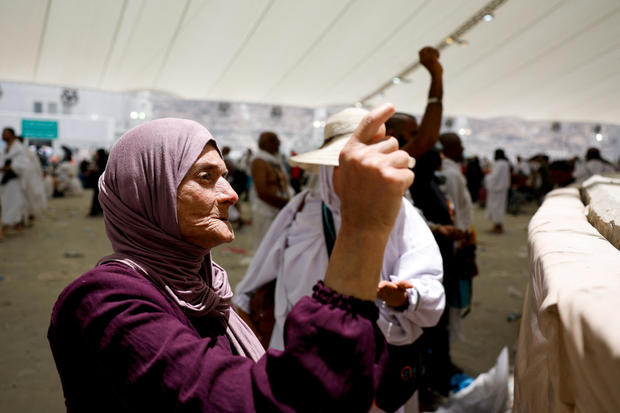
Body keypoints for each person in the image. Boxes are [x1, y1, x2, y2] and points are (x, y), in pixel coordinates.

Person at [48, 104, 416, 412]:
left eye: (225, 176)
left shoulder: (209, 289)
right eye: (206, 177)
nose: (231, 194)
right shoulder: (103, 302)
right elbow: (266, 402)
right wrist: (363, 229)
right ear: (148, 190)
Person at [234, 108, 444, 353]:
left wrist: (402, 297)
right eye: (344, 167)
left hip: (369, 358)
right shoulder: (301, 209)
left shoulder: (400, 212)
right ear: (325, 170)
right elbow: (254, 281)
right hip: (296, 352)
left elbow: (429, 290)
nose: (356, 178)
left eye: (366, 168)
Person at [385, 46, 443, 160]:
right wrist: (436, 77)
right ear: (393, 135)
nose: (419, 136)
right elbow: (426, 140)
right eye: (414, 134)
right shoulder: (388, 160)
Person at [250, 132, 290, 245]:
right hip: (266, 212)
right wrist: (287, 204)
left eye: (277, 140)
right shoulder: (259, 161)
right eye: (274, 140)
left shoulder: (274, 161)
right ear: (263, 144)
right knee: (266, 245)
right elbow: (262, 192)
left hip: (278, 209)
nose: (278, 143)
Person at [1, 128, 29, 238]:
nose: (3, 135)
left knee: (11, 204)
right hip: (5, 180)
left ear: (12, 135)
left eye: (6, 134)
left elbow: (23, 165)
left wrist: (9, 168)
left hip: (14, 180)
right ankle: (18, 226)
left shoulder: (19, 149)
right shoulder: (5, 149)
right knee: (10, 204)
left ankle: (3, 228)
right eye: (3, 133)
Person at [484, 149, 511, 234]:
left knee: (496, 207)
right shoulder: (506, 163)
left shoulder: (499, 164)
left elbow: (495, 176)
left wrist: (488, 175)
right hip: (502, 189)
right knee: (500, 207)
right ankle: (498, 225)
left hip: (496, 189)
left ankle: (497, 226)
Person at [87, 149, 108, 216]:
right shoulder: (105, 162)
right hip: (104, 185)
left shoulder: (102, 163)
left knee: (97, 197)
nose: (96, 156)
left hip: (100, 184)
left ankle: (95, 212)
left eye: (97, 154)